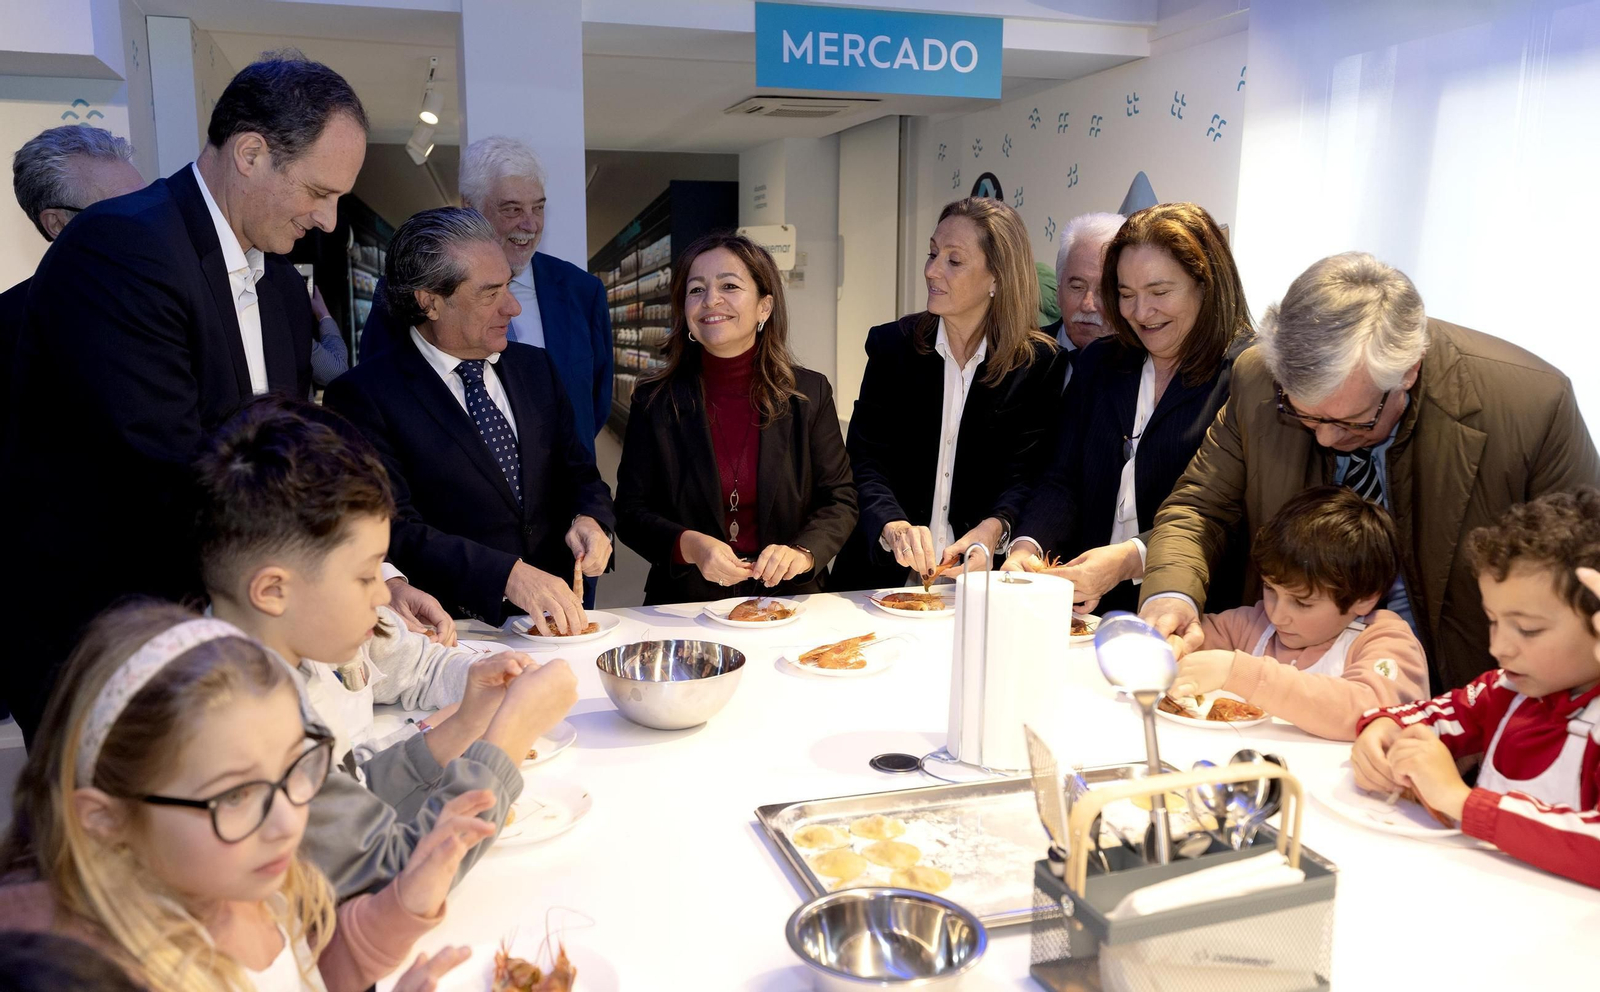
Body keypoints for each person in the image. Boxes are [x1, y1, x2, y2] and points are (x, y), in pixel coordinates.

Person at [0, 54, 452, 742]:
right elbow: (175, 474)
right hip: (120, 648)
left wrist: (373, 575)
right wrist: (339, 582)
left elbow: (285, 461)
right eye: (318, 192)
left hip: (232, 645)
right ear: (250, 153)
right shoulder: (121, 247)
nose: (330, 221)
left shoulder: (277, 285)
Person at [1138, 251, 1600, 691]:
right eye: (1305, 415)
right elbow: (1199, 508)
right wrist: (1171, 595)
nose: (1324, 438)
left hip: (1469, 688)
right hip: (1295, 677)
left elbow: (1583, 571)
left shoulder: (1532, 407)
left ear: (1408, 372)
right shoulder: (1258, 377)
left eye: (1349, 420)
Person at [193, 395, 577, 896]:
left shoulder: (277, 653)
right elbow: (391, 870)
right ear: (272, 591)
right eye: (366, 576)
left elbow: (352, 793)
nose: (383, 594)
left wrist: (462, 723)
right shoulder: (249, 727)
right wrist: (504, 740)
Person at [0, 602, 488, 990]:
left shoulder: (253, 879)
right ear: (106, 819)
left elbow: (308, 971)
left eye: (296, 768)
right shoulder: (119, 973)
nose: (288, 823)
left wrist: (400, 905)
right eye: (234, 796)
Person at [326, 207, 615, 634]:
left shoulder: (535, 368)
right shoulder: (365, 396)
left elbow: (579, 475)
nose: (513, 307)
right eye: (490, 293)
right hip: (449, 632)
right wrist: (507, 575)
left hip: (556, 627)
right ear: (430, 301)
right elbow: (394, 527)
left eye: (509, 287)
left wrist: (591, 518)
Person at [1003, 202, 1252, 615]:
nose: (1140, 313)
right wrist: (1028, 546)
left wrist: (1127, 559)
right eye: (1125, 295)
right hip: (1089, 611)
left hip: (1196, 613)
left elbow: (1224, 516)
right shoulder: (1100, 363)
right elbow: (1062, 481)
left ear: (1206, 285)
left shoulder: (1244, 376)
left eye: (1159, 292)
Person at [1350, 489, 1600, 889]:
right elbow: (1432, 715)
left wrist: (1461, 801)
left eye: (1528, 629)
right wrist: (1382, 731)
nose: (1498, 647)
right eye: (1493, 621)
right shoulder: (1506, 690)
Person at [831, 197, 1066, 592]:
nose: (931, 270)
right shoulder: (893, 346)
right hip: (878, 580)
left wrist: (993, 530)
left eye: (953, 261)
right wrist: (893, 523)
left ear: (998, 277)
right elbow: (864, 458)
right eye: (932, 253)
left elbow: (1027, 477)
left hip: (976, 586)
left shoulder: (1038, 363)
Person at [614, 233, 857, 604]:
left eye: (729, 285)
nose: (711, 300)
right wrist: (690, 546)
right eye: (696, 290)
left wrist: (803, 552)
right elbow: (631, 511)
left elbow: (840, 499)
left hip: (789, 603)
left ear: (764, 306)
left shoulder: (808, 394)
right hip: (686, 603)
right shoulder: (656, 401)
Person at [357, 136, 613, 453]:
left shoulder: (582, 291)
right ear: (470, 206)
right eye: (512, 209)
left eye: (538, 207)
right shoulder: (414, 288)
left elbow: (595, 403)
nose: (530, 224)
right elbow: (379, 395)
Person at [1166, 486, 1427, 740]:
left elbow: (1369, 712)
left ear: (1365, 598)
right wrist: (1172, 646)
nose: (1277, 615)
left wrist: (1240, 673)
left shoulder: (1385, 641)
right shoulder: (1252, 626)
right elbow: (1189, 642)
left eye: (1302, 602)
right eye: (1270, 588)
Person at [3, 125, 145, 442]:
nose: (147, 221)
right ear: (57, 223)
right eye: (121, 210)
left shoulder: (186, 293)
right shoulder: (12, 326)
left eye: (148, 202)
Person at [1039, 210, 1123, 387]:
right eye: (1077, 287)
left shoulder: (1142, 368)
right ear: (1059, 290)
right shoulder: (1019, 356)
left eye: (1104, 291)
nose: (1087, 305)